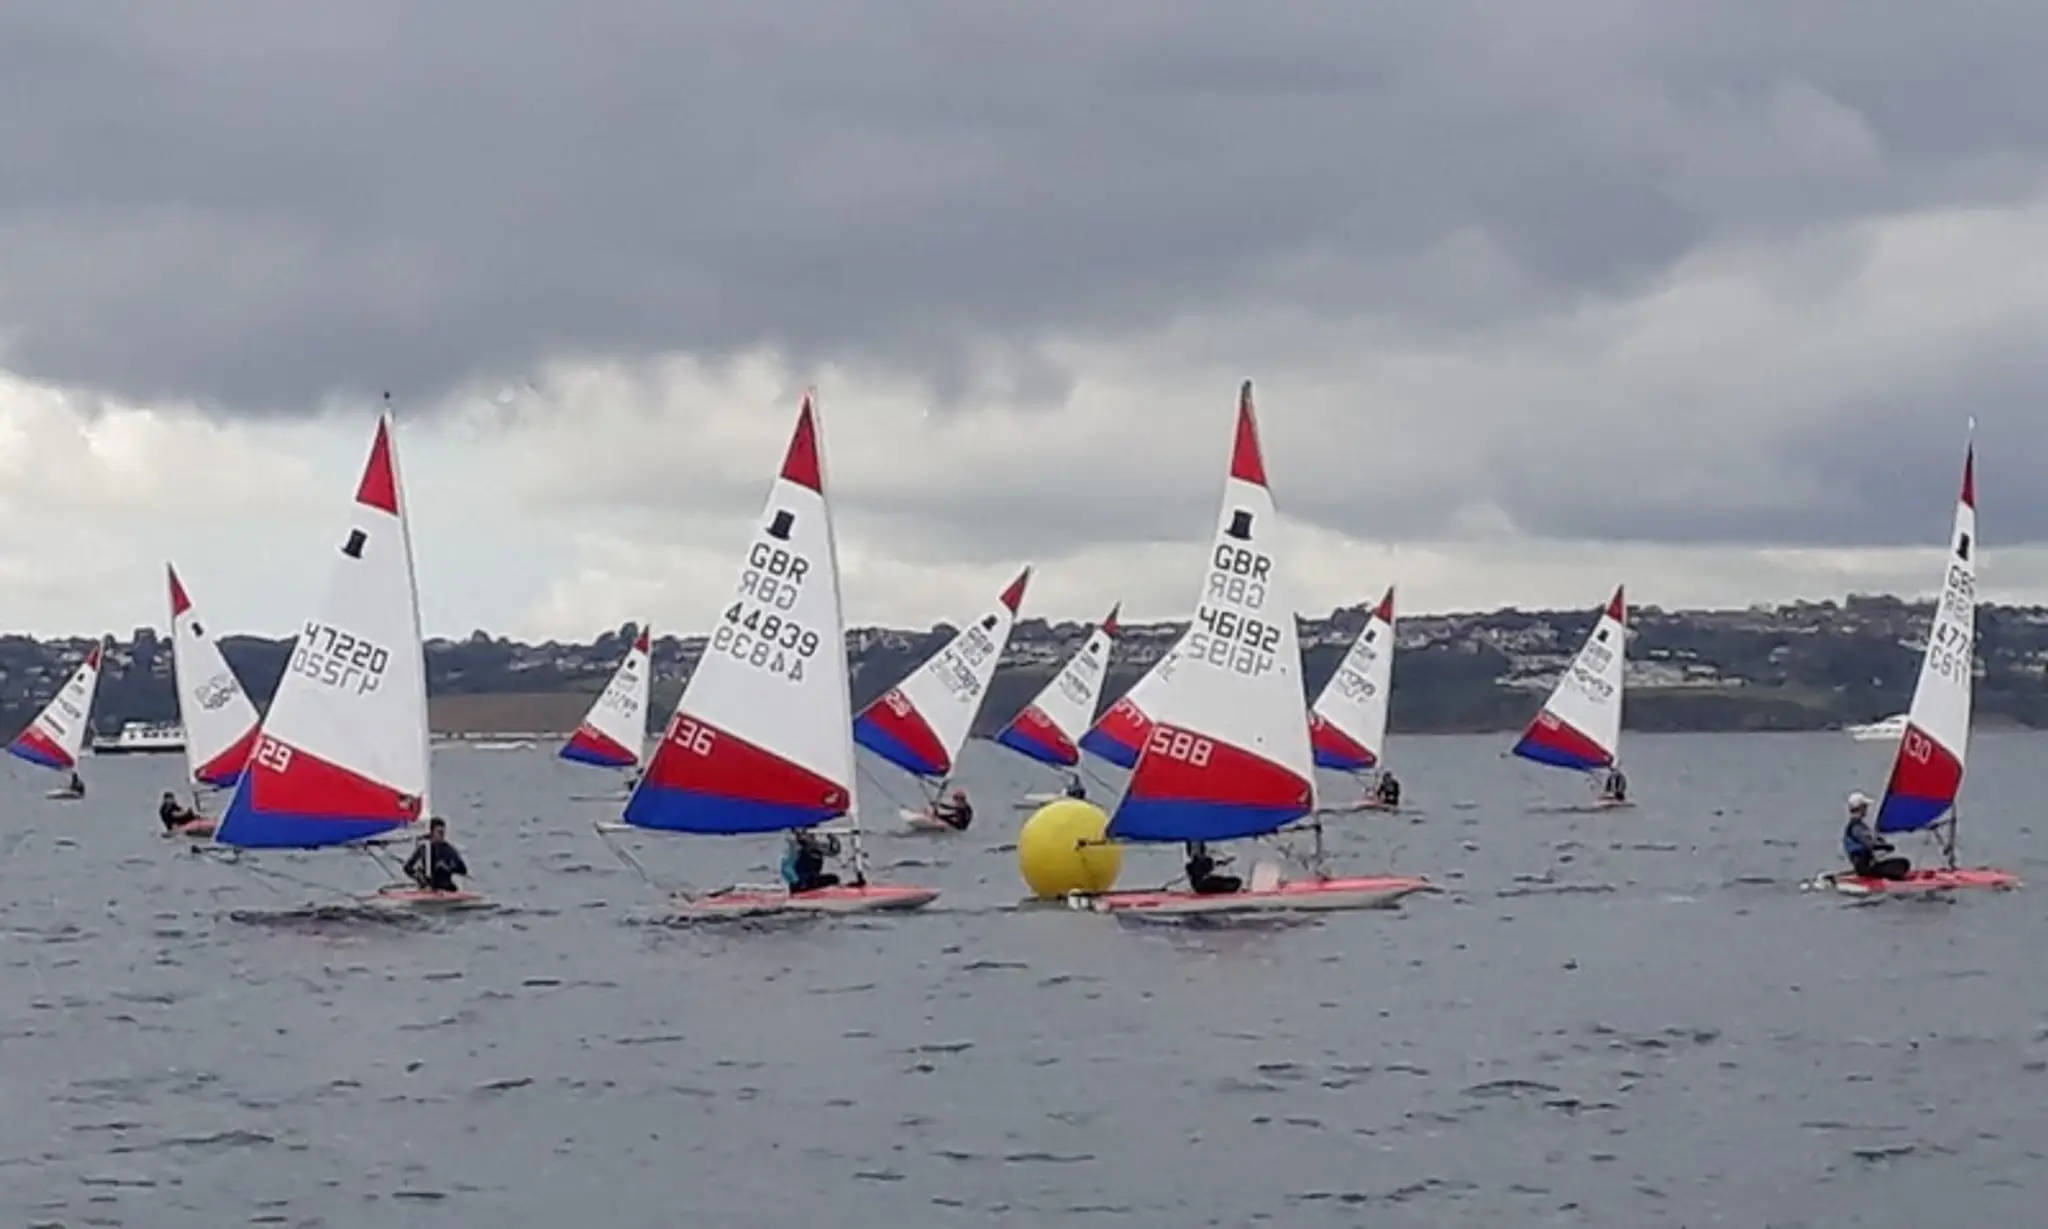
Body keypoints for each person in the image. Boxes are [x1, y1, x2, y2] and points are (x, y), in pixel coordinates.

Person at [1843, 791, 1910, 880]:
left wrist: (1881, 842)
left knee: (1902, 863)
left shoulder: (1859, 825)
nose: (1867, 809)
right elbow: (1869, 844)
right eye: (1865, 807)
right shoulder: (1856, 827)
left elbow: (1872, 839)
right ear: (1861, 808)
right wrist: (1884, 846)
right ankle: (1893, 882)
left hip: (1867, 865)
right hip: (1864, 868)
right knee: (1902, 864)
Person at [403, 817, 470, 893]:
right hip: (427, 888)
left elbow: (463, 870)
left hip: (446, 888)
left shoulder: (449, 850)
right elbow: (407, 867)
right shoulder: (424, 848)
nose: (442, 835)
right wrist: (418, 876)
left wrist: (448, 867)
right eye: (439, 832)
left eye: (443, 832)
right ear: (432, 832)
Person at [781, 828, 841, 893]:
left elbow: (834, 851)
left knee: (833, 879)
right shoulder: (797, 847)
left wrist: (832, 837)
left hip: (812, 879)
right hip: (801, 882)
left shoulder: (816, 845)